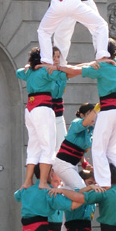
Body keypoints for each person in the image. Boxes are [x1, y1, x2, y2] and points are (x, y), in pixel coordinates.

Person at [58, 39, 116, 188]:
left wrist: (60, 67)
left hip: (108, 110)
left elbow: (74, 71)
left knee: (99, 148)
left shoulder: (101, 67)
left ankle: (105, 182)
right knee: (114, 150)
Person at [16, 46, 67, 190]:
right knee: (48, 147)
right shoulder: (46, 71)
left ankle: (27, 181)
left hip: (30, 109)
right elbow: (65, 74)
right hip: (43, 108)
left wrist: (29, 67)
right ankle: (43, 182)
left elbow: (18, 72)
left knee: (33, 146)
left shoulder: (31, 71)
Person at [53, 103, 96, 189]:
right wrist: (97, 108)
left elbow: (78, 150)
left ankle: (54, 195)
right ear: (81, 115)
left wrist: (84, 164)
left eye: (94, 115)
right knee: (82, 189)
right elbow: (83, 123)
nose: (92, 118)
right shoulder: (76, 123)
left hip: (72, 165)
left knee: (71, 191)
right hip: (63, 163)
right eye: (89, 114)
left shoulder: (89, 131)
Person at [51, 47, 67, 151]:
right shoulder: (44, 72)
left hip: (59, 113)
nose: (57, 59)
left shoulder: (62, 73)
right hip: (48, 112)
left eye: (58, 57)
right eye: (54, 57)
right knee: (49, 145)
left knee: (62, 143)